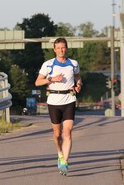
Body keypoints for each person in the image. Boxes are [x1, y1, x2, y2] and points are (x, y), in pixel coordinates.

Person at [35, 38, 82, 176]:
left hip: (69, 99)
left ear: (67, 48)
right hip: (54, 101)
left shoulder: (73, 64)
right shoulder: (48, 65)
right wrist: (51, 79)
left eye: (63, 47)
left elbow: (78, 76)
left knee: (67, 132)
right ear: (54, 49)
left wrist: (79, 84)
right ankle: (60, 153)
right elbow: (37, 82)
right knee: (57, 134)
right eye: (58, 48)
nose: (61, 50)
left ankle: (65, 162)